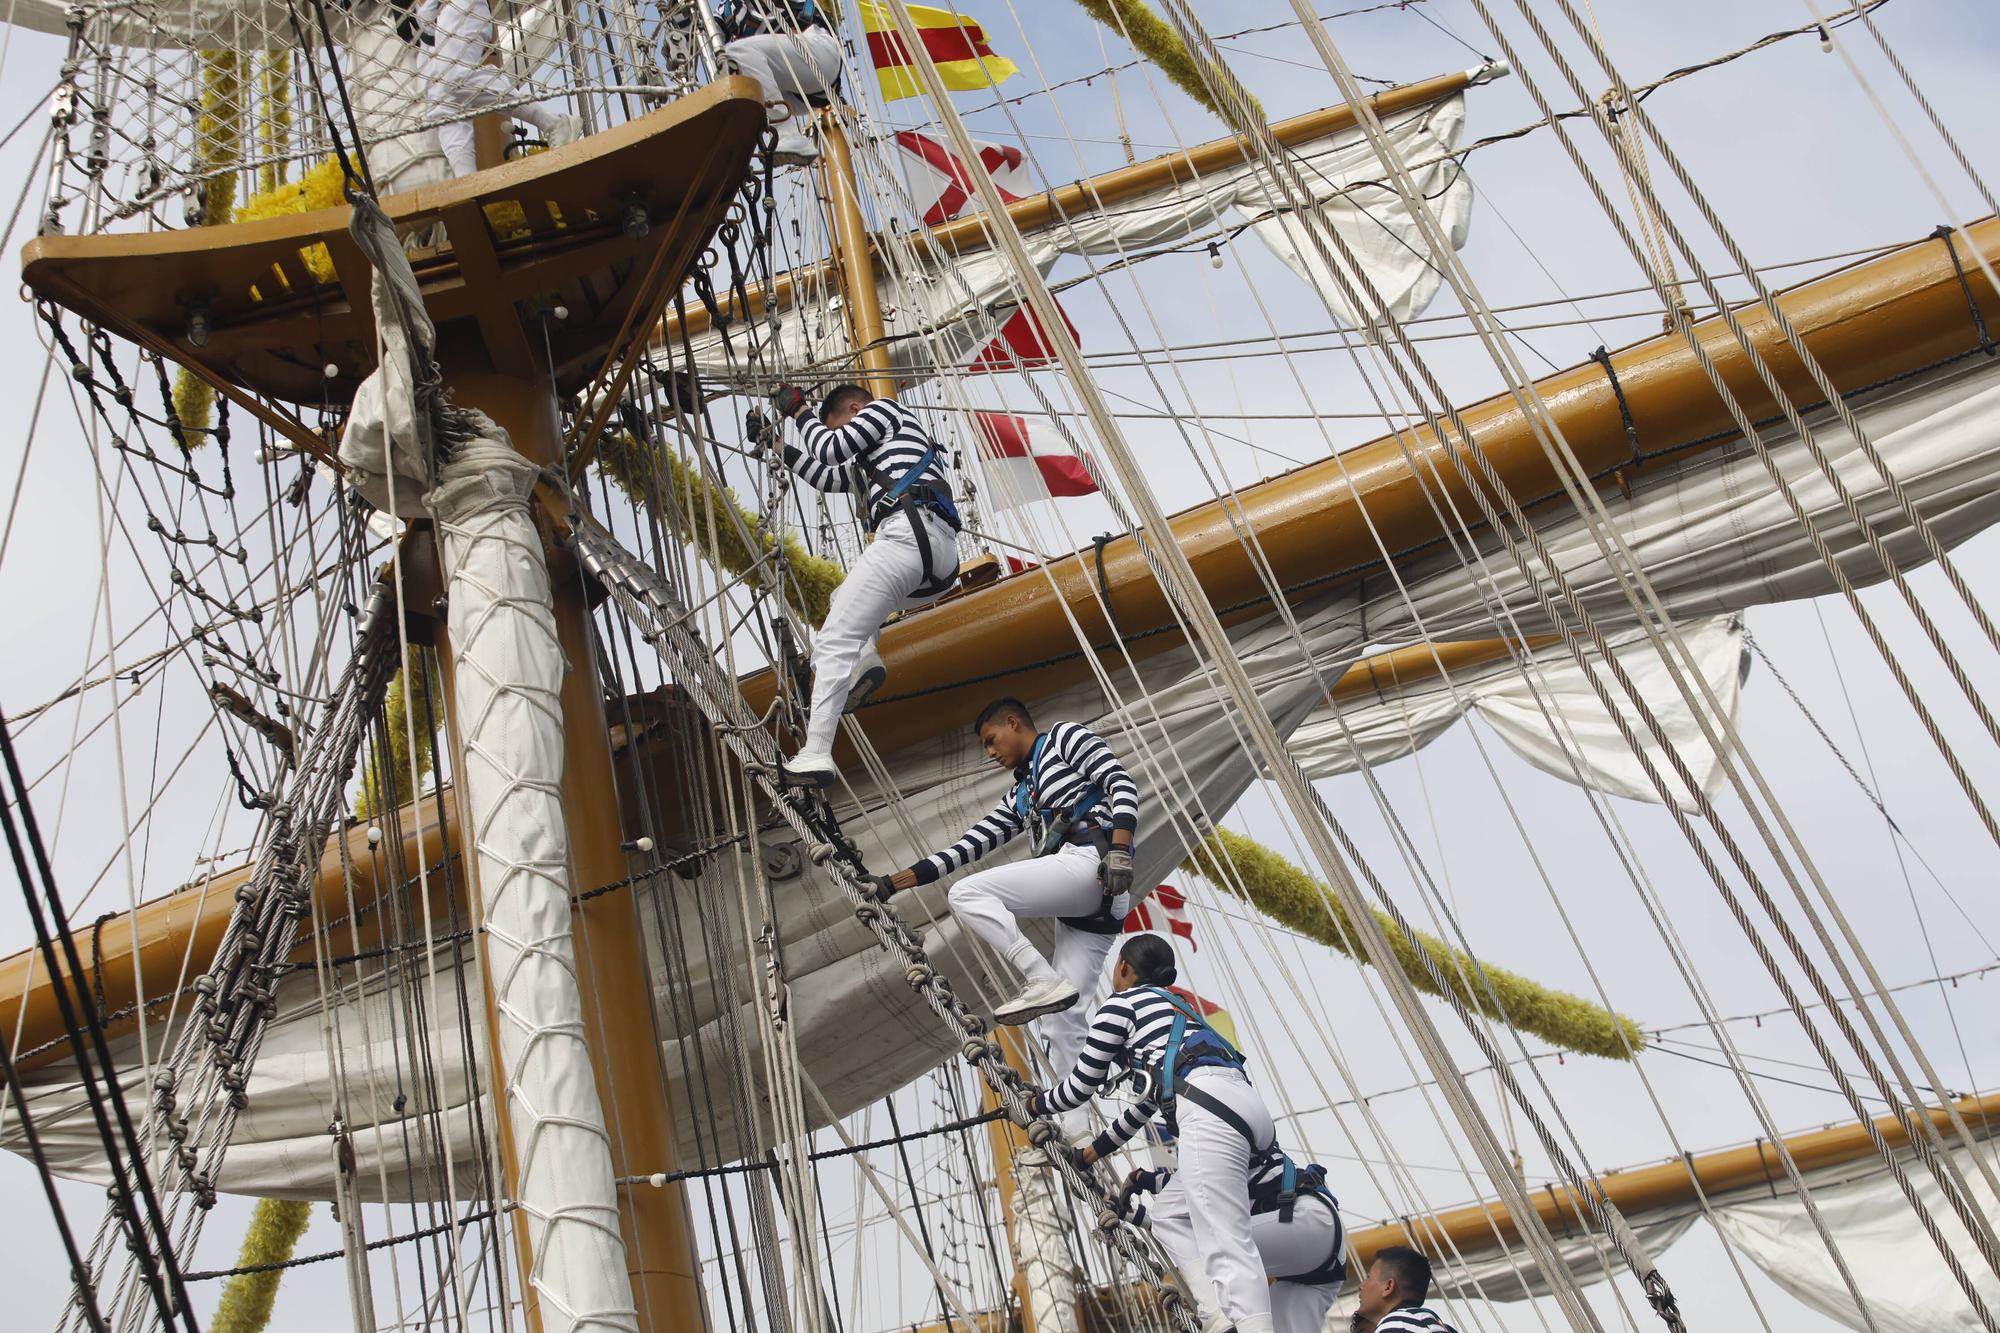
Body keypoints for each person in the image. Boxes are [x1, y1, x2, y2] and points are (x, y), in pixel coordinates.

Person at [1034, 935, 1279, 1333]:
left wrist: (1037, 1106)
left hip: (1207, 1111)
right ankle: (1216, 1316)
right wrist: (1092, 1153)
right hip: (1245, 1109)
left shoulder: (1122, 1005)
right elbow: (1147, 1104)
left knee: (1227, 1239)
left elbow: (1080, 1086)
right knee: (1169, 1216)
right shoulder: (1181, 1009)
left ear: (1125, 968)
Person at [880, 697, 1137, 1045]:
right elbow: (968, 846)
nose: (989, 753)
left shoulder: (1064, 737)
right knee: (1060, 1024)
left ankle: (1038, 977)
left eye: (991, 740)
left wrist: (1120, 851)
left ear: (1013, 723)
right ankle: (1072, 1100)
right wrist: (892, 883)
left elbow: (1120, 782)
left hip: (1095, 863)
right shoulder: (1021, 795)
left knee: (966, 893)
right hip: (1091, 902)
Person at [767, 382, 960, 786]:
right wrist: (779, 446)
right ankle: (866, 658)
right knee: (846, 599)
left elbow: (829, 450)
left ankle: (816, 752)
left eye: (838, 425)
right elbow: (827, 477)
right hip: (937, 562)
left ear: (855, 409)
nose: (842, 438)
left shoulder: (883, 409)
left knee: (834, 638)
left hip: (907, 537)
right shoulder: (881, 456)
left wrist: (799, 409)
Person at [1121, 1151, 1345, 1333]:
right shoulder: (1236, 1147)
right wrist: (1140, 1202)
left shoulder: (1219, 1142)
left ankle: (1219, 1321)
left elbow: (1189, 1198)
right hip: (1323, 1262)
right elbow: (1190, 1194)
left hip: (1307, 1224)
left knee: (1208, 1256)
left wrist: (1143, 1181)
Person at [423, 0, 580, 178]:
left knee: (455, 77)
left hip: (461, 5)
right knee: (441, 101)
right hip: (436, 15)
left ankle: (553, 122)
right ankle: (467, 180)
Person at [716, 0, 844, 166]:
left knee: (737, 51)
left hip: (817, 55)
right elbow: (705, 36)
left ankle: (786, 133)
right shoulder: (728, 8)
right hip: (788, 92)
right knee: (728, 63)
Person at [1352, 1247, 1459, 1333]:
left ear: (1388, 1287)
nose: (1361, 1286)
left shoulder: (1396, 1325)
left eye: (1368, 1277)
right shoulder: (1441, 1326)